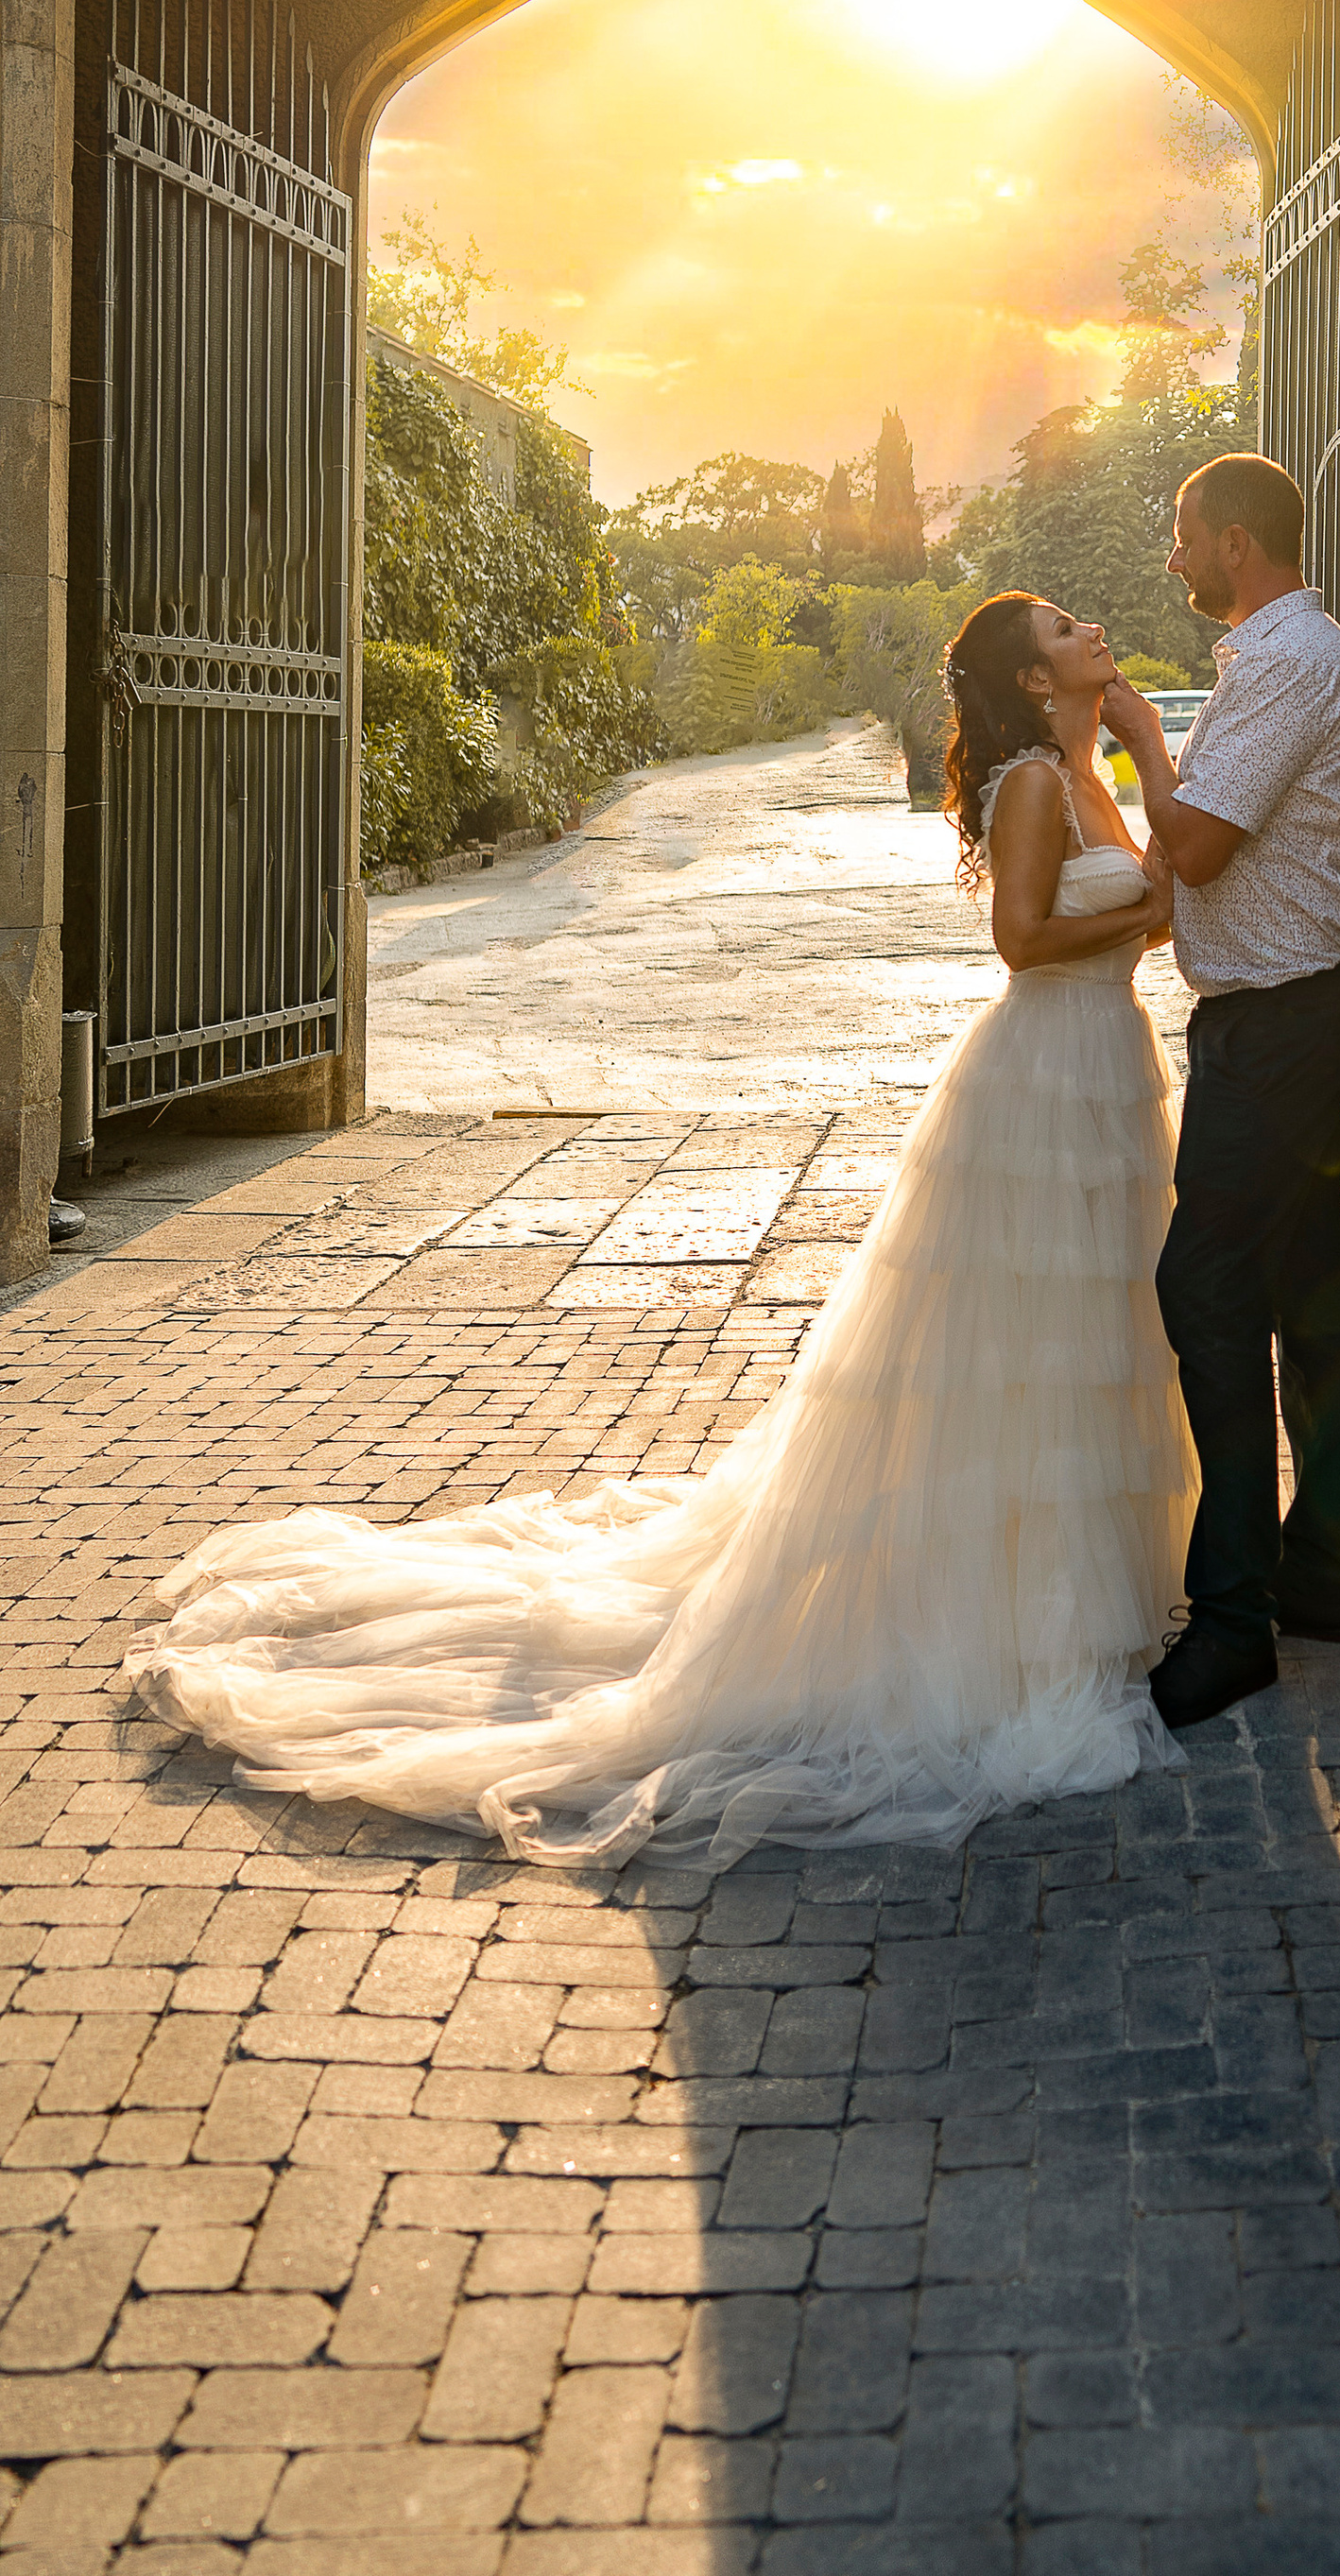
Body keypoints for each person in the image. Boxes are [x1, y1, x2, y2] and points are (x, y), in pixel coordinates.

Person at [126, 595, 1196, 1866]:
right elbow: (1026, 943)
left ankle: (1067, 1600)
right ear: (1030, 676)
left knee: (1088, 1340)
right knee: (1025, 1344)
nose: (1098, 636)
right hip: (1040, 1081)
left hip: (1111, 1078)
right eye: (1073, 632)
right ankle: (1011, 1622)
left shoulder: (1081, 769)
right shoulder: (1029, 784)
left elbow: (1169, 904)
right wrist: (1137, 895)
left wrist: (1145, 750)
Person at [1100, 454, 1340, 1730]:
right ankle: (1318, 1575)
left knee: (1203, 1285)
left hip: (1279, 1027)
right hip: (1287, 1013)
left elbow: (1204, 847)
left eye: (1181, 538)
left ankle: (1234, 1620)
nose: (1172, 561)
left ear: (1234, 542)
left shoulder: (1285, 662)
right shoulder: (1280, 653)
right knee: (1307, 1293)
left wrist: (1142, 741)